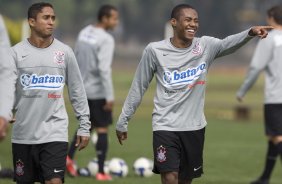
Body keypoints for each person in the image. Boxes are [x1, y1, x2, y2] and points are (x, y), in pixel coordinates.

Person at [116, 4, 272, 184]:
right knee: (169, 177)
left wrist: (249, 33)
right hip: (165, 125)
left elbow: (227, 43)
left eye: (196, 20)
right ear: (174, 23)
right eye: (188, 20)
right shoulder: (154, 50)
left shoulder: (205, 45)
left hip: (194, 127)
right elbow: (138, 86)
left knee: (185, 180)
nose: (193, 24)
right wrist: (123, 120)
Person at [6, 2, 91, 184]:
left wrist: (84, 125)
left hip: (55, 132)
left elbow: (77, 91)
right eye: (46, 18)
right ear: (31, 22)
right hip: (23, 134)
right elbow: (5, 89)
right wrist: (6, 111)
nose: (51, 22)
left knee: (54, 181)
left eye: (53, 18)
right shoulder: (14, 54)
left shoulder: (65, 52)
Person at [66, 5, 119, 180]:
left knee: (86, 124)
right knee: (102, 129)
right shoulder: (106, 39)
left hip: (82, 89)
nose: (116, 22)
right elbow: (104, 69)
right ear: (104, 19)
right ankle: (102, 172)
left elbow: (75, 56)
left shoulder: (84, 32)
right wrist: (109, 96)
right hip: (97, 91)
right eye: (114, 18)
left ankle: (68, 158)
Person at [237, 5, 282, 184]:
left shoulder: (269, 39)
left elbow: (256, 67)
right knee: (273, 138)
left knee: (277, 137)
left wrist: (243, 90)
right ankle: (264, 178)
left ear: (271, 17)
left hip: (276, 97)